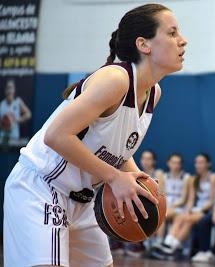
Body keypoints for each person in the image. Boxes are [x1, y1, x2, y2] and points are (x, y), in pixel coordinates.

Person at [3, 4, 187, 267]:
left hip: (83, 199)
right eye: (172, 33)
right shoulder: (115, 80)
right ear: (143, 44)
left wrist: (137, 183)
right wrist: (115, 178)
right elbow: (56, 136)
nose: (182, 40)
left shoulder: (153, 93)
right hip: (41, 187)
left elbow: (117, 152)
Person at [151, 153, 215, 260]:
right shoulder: (194, 178)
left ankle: (172, 247)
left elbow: (212, 200)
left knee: (188, 220)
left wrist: (198, 210)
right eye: (197, 163)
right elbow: (191, 199)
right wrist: (188, 209)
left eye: (201, 162)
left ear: (208, 164)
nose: (198, 165)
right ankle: (168, 244)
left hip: (208, 210)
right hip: (197, 209)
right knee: (182, 216)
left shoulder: (213, 177)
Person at [110, 149, 165, 257]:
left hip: (153, 202)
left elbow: (160, 193)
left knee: (141, 207)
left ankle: (150, 243)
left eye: (148, 159)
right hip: (137, 201)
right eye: (143, 158)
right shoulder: (134, 172)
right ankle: (122, 240)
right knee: (125, 204)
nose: (145, 161)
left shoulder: (158, 173)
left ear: (153, 161)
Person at [155, 153, 191, 242]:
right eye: (173, 162)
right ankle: (158, 241)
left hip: (178, 207)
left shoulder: (186, 177)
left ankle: (165, 242)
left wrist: (171, 207)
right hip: (166, 205)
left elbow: (183, 199)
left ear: (181, 165)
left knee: (163, 214)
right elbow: (161, 195)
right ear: (168, 163)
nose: (175, 165)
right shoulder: (164, 176)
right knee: (160, 214)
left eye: (178, 163)